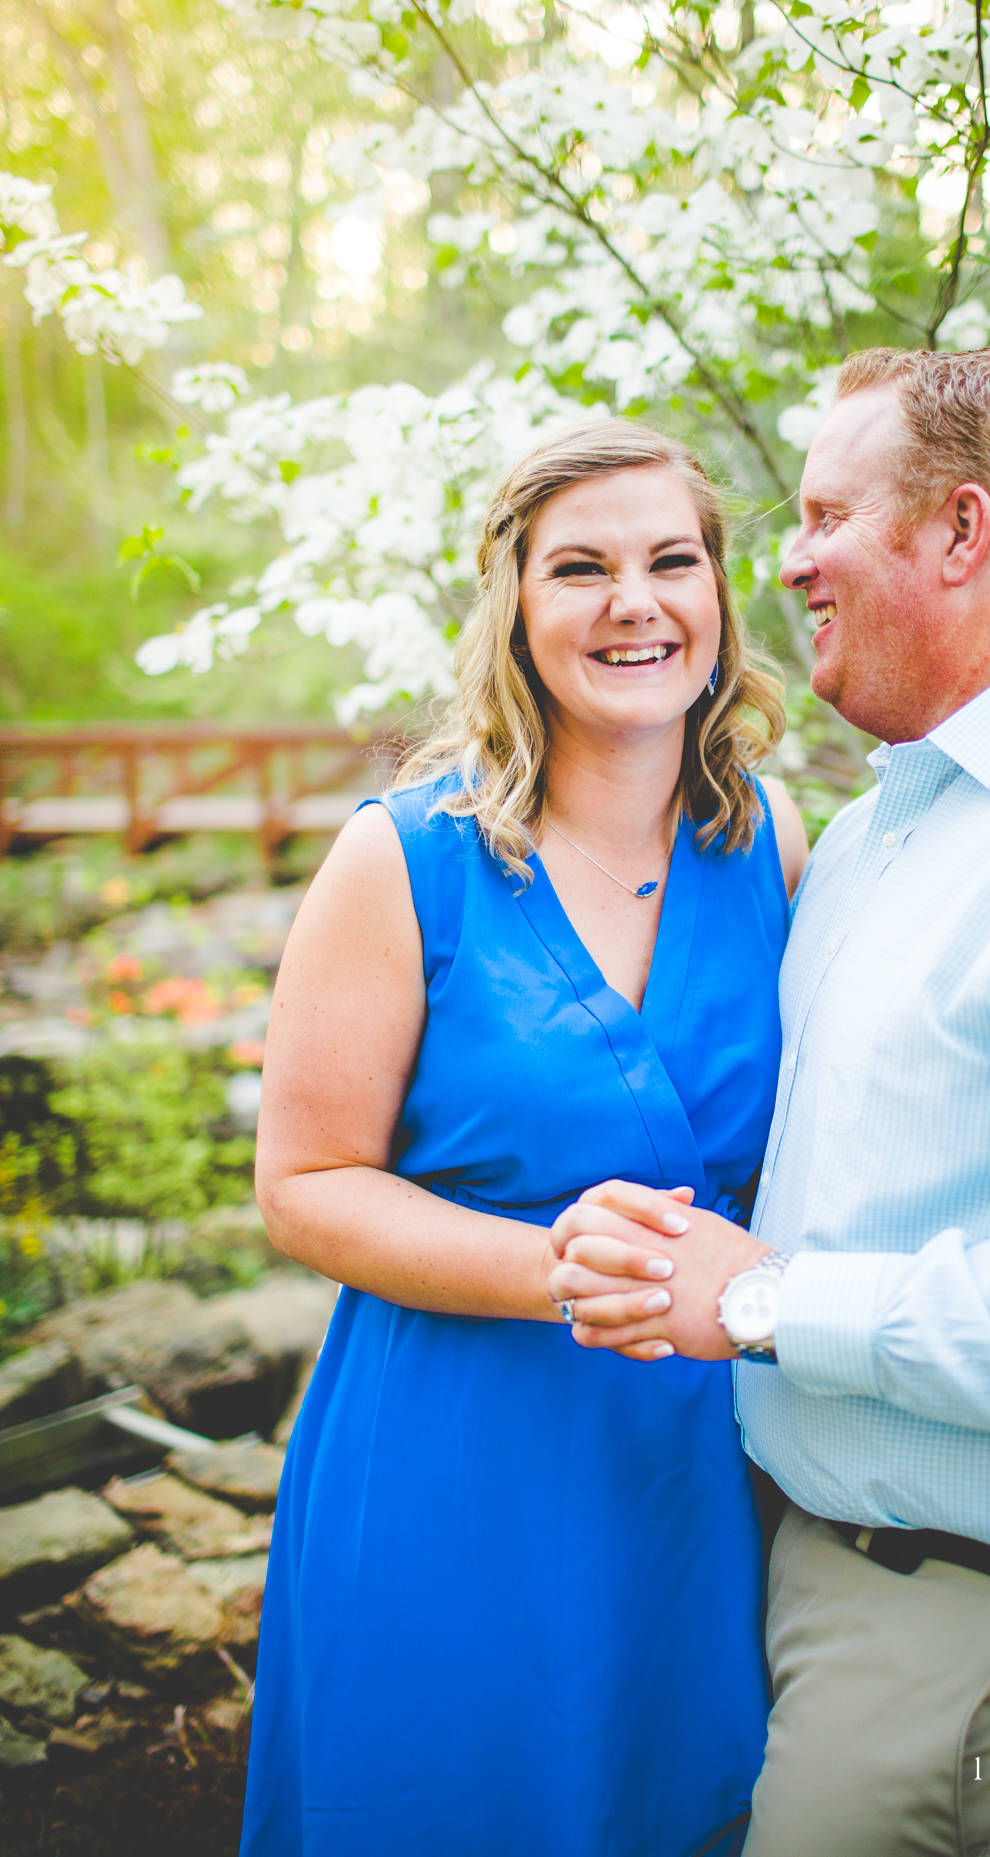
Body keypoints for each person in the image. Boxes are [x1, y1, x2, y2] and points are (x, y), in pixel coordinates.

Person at [549, 349, 990, 1857]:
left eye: (828, 516)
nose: (787, 560)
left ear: (959, 531)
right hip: (845, 1580)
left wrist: (763, 1302)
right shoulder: (887, 825)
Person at [239, 419, 808, 1857]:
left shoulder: (772, 843)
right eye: (581, 568)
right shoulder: (403, 857)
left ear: (718, 593)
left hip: (699, 1470)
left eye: (672, 561)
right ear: (514, 604)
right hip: (455, 1455)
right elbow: (304, 1186)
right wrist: (555, 1269)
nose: (635, 602)